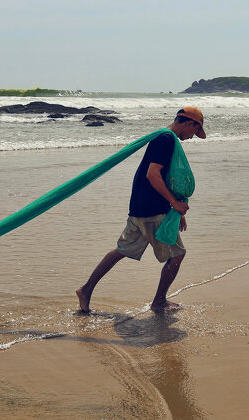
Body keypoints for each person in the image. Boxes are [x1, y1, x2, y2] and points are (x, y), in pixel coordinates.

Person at [76, 107, 206, 313]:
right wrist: (174, 203)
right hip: (153, 209)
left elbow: (159, 175)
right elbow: (152, 175)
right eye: (194, 132)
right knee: (177, 255)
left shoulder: (162, 136)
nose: (191, 137)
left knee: (121, 250)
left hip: (140, 207)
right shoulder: (166, 139)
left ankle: (86, 289)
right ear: (189, 123)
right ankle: (159, 301)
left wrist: (175, 213)